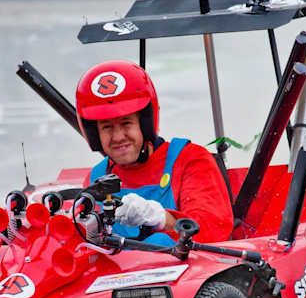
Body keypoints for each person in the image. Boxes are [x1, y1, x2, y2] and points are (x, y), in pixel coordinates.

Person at [75, 60, 234, 245]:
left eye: (126, 123)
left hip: (188, 271)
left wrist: (161, 219)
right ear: (94, 134)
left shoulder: (190, 160)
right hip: (120, 271)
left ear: (145, 123)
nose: (118, 137)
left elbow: (212, 232)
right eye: (107, 127)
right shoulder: (95, 180)